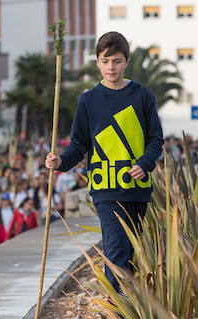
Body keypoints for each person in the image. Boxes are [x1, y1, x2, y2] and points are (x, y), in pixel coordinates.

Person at [45, 31, 163, 290]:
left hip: (138, 189)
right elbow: (79, 145)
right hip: (106, 189)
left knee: (131, 254)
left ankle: (129, 317)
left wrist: (144, 164)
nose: (112, 66)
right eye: (106, 60)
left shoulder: (142, 96)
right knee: (115, 250)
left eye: (117, 61)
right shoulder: (88, 100)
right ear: (97, 62)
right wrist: (61, 162)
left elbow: (156, 140)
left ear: (127, 62)